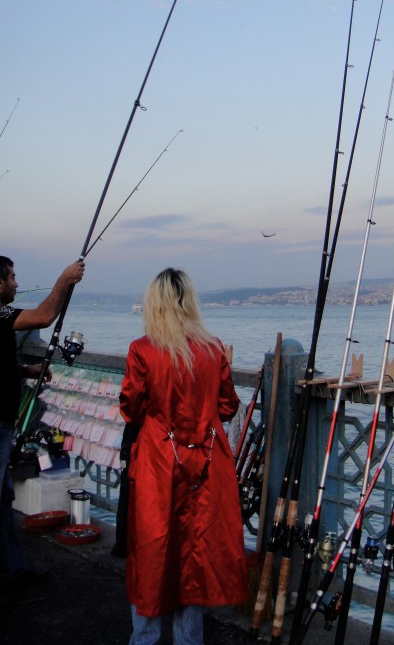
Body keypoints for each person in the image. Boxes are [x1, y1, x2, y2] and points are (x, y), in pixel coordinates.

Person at [119, 267, 248, 645]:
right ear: (189, 301)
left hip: (160, 461)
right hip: (208, 462)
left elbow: (132, 408)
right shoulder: (213, 348)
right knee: (194, 550)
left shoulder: (142, 350)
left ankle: (144, 638)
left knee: (153, 549)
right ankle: (188, 640)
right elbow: (227, 406)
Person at [0, 254, 85, 602]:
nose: (15, 283)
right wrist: (64, 279)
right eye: (12, 277)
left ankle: (10, 568)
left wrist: (25, 371)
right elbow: (43, 316)